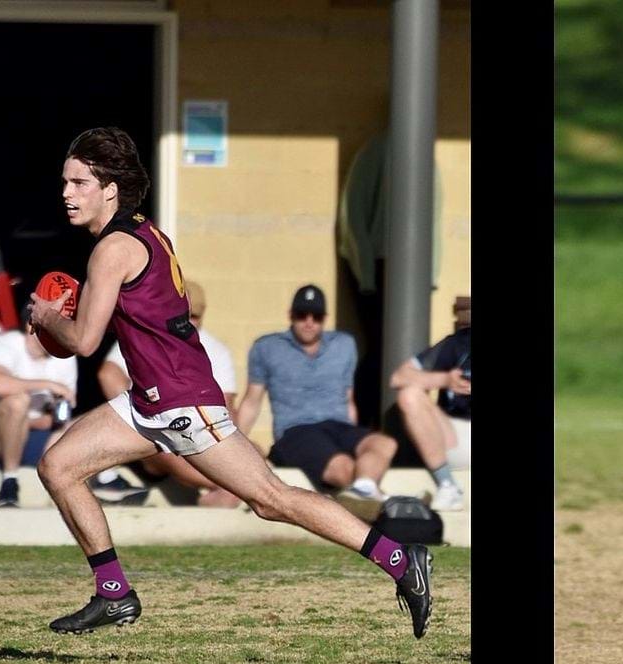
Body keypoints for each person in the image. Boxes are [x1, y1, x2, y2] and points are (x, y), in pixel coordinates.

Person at [28, 127, 431, 638]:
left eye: (80, 182)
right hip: (149, 400)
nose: (67, 193)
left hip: (181, 402)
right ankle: (114, 594)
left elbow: (84, 341)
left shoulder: (112, 250)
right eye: (66, 182)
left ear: (111, 188)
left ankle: (400, 559)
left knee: (271, 499)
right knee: (58, 466)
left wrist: (45, 315)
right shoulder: (142, 233)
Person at [235, 285, 399, 512]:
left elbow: (348, 398)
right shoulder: (266, 347)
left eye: (317, 316)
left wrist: (351, 436)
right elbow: (251, 401)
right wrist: (235, 445)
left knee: (384, 442)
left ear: (325, 318)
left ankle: (367, 492)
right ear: (291, 315)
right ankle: (389, 504)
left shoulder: (344, 344)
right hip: (296, 431)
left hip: (338, 426)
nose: (309, 322)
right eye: (302, 315)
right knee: (344, 467)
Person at [96, 278, 241, 508]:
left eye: (195, 316)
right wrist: (145, 413)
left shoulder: (216, 349)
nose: (189, 322)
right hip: (154, 436)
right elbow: (108, 375)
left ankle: (217, 506)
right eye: (185, 314)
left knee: (250, 454)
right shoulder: (147, 337)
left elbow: (228, 409)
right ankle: (226, 491)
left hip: (198, 435)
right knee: (228, 478)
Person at [0, 319, 77, 506]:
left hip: (33, 435)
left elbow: (58, 417)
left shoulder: (65, 357)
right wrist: (48, 384)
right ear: (31, 325)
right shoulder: (5, 344)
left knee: (91, 423)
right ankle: (9, 481)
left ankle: (104, 480)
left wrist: (25, 424)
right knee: (17, 401)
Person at [389, 295, 471, 511]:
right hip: (455, 439)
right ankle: (448, 486)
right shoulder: (457, 343)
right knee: (409, 395)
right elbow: (399, 377)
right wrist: (444, 380)